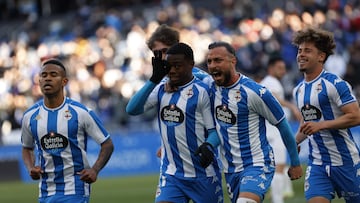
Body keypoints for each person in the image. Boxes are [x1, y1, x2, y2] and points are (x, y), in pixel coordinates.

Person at [196, 41, 303, 203]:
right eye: (209, 61)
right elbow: (189, 71)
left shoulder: (256, 92)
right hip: (231, 169)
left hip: (257, 164)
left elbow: (282, 124)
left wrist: (295, 162)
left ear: (233, 61)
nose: (212, 65)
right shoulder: (212, 86)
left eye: (218, 60)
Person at [126, 42, 223, 203]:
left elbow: (215, 131)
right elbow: (132, 109)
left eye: (177, 66)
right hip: (172, 176)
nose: (172, 70)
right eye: (169, 66)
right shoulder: (161, 89)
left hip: (204, 175)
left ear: (191, 65)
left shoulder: (202, 92)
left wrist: (209, 146)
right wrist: (154, 79)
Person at [21, 58, 114, 203]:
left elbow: (107, 144)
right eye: (44, 76)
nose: (48, 79)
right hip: (45, 191)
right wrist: (30, 167)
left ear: (64, 81)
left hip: (75, 188)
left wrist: (94, 169)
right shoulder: (29, 116)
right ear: (39, 81)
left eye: (53, 75)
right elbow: (27, 148)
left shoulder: (80, 112)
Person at [292, 27, 360, 203]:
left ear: (321, 56)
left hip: (347, 163)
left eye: (308, 50)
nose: (301, 55)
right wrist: (295, 142)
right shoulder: (298, 90)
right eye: (299, 50)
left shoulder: (336, 84)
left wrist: (321, 125)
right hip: (318, 164)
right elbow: (306, 123)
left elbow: (356, 116)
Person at [146, 24, 211, 158]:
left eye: (165, 51)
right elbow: (133, 109)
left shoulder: (203, 80)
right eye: (156, 53)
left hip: (204, 156)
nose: (162, 58)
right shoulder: (163, 83)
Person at [260, 56, 302, 203]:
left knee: (278, 166)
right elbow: (275, 98)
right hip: (273, 131)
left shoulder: (269, 82)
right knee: (279, 167)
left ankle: (277, 197)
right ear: (270, 68)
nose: (283, 71)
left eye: (284, 68)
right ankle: (278, 200)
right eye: (279, 68)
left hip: (271, 130)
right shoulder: (271, 82)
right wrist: (292, 107)